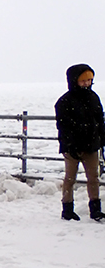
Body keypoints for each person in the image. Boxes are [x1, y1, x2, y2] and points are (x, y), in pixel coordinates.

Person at [55, 63, 105, 221]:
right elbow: (63, 126)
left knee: (93, 178)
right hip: (72, 148)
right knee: (70, 178)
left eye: (89, 80)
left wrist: (101, 140)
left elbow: (100, 120)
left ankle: (95, 209)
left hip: (91, 146)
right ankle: (67, 208)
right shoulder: (64, 102)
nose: (87, 83)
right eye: (83, 80)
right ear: (74, 80)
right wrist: (70, 145)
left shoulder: (93, 97)